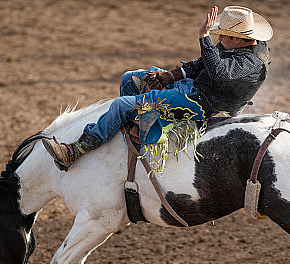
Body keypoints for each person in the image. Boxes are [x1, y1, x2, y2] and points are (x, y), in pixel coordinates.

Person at [43, 5, 273, 170]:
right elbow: (201, 64)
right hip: (195, 89)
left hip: (203, 104)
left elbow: (219, 72)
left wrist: (204, 38)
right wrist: (167, 77)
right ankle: (140, 127)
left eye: (223, 35)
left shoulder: (251, 62)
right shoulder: (233, 46)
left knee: (121, 105)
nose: (219, 38)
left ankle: (75, 151)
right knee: (130, 78)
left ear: (237, 38)